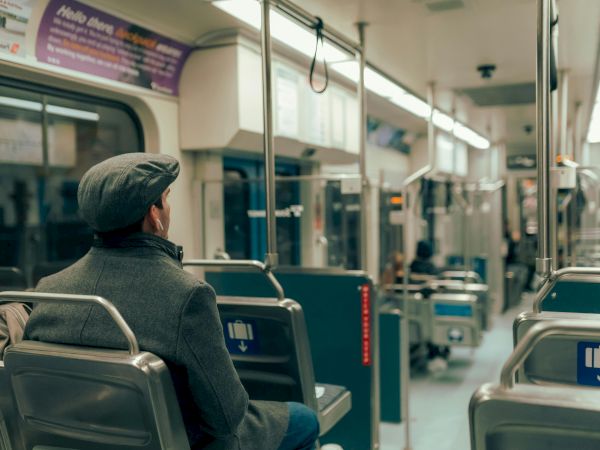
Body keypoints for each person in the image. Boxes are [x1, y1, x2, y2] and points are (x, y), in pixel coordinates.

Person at [24, 153, 319, 450]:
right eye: (166, 198)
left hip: (80, 440)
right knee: (305, 419)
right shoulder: (187, 295)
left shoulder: (50, 290)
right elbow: (226, 417)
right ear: (154, 213)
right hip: (178, 442)